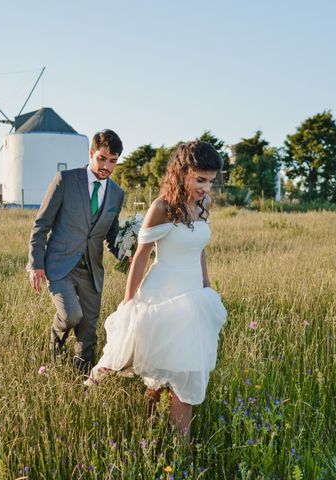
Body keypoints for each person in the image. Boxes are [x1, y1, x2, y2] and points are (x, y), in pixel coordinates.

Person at [89, 140, 227, 439]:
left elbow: (200, 249)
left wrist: (206, 285)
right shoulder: (162, 208)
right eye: (200, 179)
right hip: (162, 295)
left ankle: (181, 451)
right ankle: (140, 423)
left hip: (194, 300)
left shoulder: (204, 205)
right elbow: (141, 257)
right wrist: (128, 303)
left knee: (184, 373)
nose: (206, 188)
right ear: (182, 172)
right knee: (133, 359)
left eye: (210, 181)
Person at [28, 129, 125, 374]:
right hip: (59, 266)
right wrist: (36, 264)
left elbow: (111, 234)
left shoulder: (117, 194)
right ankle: (54, 346)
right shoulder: (65, 180)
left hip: (92, 270)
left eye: (112, 161)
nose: (106, 166)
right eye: (102, 158)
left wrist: (128, 252)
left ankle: (82, 378)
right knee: (72, 315)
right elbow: (41, 225)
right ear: (92, 153)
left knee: (88, 331)